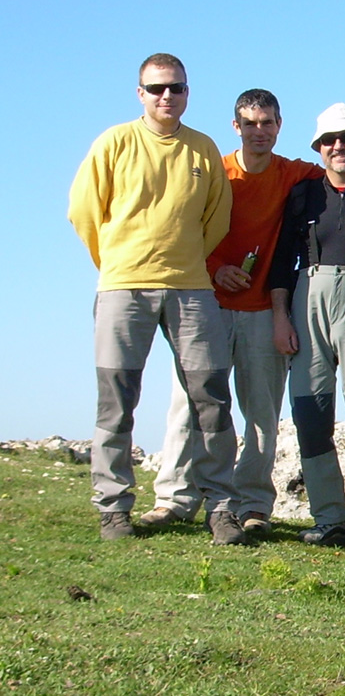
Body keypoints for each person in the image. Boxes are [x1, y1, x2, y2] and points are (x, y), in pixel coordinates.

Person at [143, 91, 345, 535]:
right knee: (223, 408)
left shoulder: (339, 185)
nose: (338, 147)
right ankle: (182, 501)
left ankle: (304, 513)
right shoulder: (255, 180)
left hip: (315, 307)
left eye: (266, 123)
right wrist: (240, 285)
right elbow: (196, 233)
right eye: (249, 123)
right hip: (249, 302)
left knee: (313, 416)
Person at [67, 53, 244, 545]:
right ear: (140, 92)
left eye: (178, 88)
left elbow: (218, 218)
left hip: (191, 289)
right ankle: (114, 508)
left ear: (188, 92)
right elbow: (83, 211)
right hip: (123, 287)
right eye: (158, 88)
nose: (168, 96)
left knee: (211, 399)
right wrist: (118, 263)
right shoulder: (114, 142)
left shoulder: (203, 149)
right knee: (117, 403)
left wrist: (186, 260)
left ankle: (222, 507)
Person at [267, 103, 345, 560]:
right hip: (307, 299)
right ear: (319, 148)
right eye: (330, 140)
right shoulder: (302, 195)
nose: (339, 147)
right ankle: (330, 519)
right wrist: (281, 316)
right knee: (310, 413)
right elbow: (282, 261)